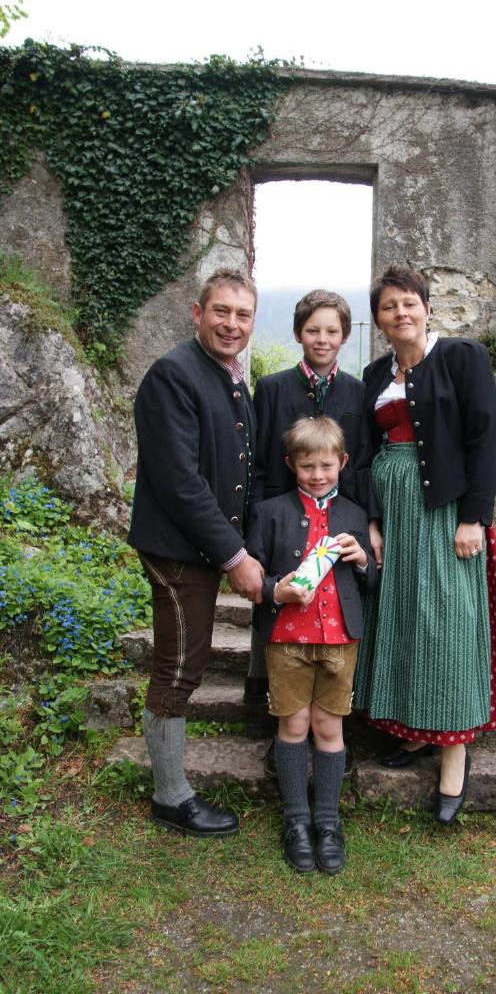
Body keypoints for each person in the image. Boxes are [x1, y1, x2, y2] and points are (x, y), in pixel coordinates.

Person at [354, 266, 496, 825]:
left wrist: (474, 517)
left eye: (409, 303)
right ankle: (418, 728)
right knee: (403, 615)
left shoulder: (461, 357)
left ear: (426, 307)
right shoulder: (375, 373)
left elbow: (485, 438)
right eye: (389, 306)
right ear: (378, 320)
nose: (401, 313)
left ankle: (454, 751)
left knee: (447, 622)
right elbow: (365, 450)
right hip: (394, 513)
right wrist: (373, 519)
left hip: (445, 509)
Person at [128, 267, 264, 838]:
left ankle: (171, 789)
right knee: (179, 669)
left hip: (203, 547)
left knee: (185, 664)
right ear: (197, 313)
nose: (231, 324)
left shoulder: (230, 376)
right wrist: (235, 557)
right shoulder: (173, 374)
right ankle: (170, 797)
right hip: (178, 550)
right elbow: (180, 482)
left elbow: (238, 469)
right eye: (221, 311)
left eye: (242, 315)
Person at [247, 417, 376, 873]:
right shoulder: (270, 512)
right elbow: (253, 577)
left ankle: (327, 821)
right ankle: (296, 820)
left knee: (328, 727)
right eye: (307, 467)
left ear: (342, 463)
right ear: (291, 465)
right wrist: (276, 590)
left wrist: (363, 561)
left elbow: (371, 581)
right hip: (286, 641)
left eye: (326, 465)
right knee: (294, 725)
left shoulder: (355, 514)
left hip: (340, 641)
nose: (317, 475)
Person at [244, 289, 370, 710]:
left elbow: (361, 462)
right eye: (313, 330)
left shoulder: (357, 391)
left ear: (344, 336)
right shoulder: (272, 387)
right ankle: (267, 698)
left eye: (332, 331)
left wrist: (366, 523)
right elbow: (260, 461)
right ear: (298, 333)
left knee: (335, 603)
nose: (322, 339)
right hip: (280, 517)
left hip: (337, 515)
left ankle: (334, 703)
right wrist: (257, 521)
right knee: (277, 601)